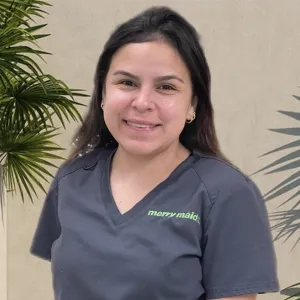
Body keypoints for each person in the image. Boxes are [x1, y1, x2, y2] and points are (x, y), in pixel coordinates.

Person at [30, 6, 280, 300]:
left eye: (165, 87)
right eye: (127, 82)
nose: (142, 102)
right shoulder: (71, 180)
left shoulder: (227, 194)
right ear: (102, 93)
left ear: (192, 105)